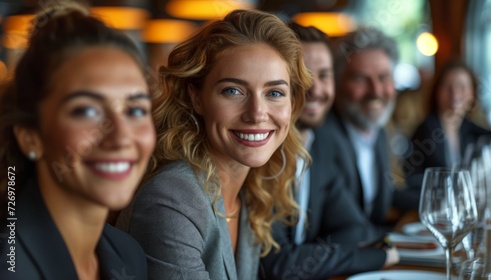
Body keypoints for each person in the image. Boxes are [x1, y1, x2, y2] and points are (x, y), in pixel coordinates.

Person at [115, 9, 311, 279]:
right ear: (197, 98)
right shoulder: (173, 198)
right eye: (233, 91)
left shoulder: (252, 191)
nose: (257, 113)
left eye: (274, 93)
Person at [0, 2, 155, 280]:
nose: (121, 137)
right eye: (86, 110)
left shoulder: (128, 254)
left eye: (135, 110)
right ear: (29, 137)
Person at [260, 22, 399, 280]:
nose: (315, 89)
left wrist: (315, 254)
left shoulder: (314, 146)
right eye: (302, 75)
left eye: (324, 75)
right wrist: (377, 255)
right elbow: (279, 264)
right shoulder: (261, 154)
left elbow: (355, 228)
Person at [317, 26, 408, 228]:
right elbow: (345, 227)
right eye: (360, 79)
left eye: (384, 78)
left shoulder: (379, 131)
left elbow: (382, 202)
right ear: (338, 84)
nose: (376, 91)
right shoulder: (322, 138)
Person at [404, 60, 491, 199]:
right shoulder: (426, 130)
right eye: (448, 86)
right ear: (436, 92)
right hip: (434, 211)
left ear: (473, 93)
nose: (455, 93)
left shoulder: (466, 127)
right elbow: (411, 181)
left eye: (462, 86)